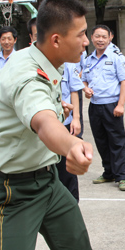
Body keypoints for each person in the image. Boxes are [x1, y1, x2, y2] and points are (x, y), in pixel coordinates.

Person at [0, 0, 107, 250]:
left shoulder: (32, 56)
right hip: (14, 192)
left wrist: (26, 108)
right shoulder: (27, 74)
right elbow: (44, 123)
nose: (87, 40)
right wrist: (72, 145)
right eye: (81, 35)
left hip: (49, 184)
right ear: (55, 40)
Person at [83, 25, 125, 191]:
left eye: (104, 36)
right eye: (97, 36)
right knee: (101, 141)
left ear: (110, 37)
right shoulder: (89, 59)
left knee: (117, 141)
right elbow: (84, 79)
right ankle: (108, 172)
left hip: (112, 105)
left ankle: (122, 176)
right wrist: (86, 89)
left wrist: (120, 105)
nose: (100, 40)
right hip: (95, 106)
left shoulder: (117, 57)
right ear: (92, 38)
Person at [56, 61, 84, 200]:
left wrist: (76, 118)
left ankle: (71, 204)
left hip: (65, 123)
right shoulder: (31, 61)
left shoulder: (67, 64)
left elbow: (74, 91)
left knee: (67, 168)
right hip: (42, 126)